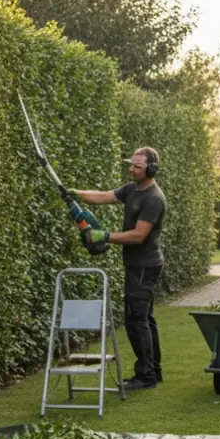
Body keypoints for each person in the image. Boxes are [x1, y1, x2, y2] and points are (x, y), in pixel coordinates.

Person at [72, 147, 167, 390]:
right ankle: (153, 370)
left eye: (137, 166)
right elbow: (103, 196)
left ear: (151, 169)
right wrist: (74, 194)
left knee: (137, 319)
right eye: (131, 164)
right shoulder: (131, 189)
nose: (131, 168)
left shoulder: (154, 198)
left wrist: (104, 235)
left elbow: (138, 236)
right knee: (145, 318)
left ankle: (145, 375)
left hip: (145, 265)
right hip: (137, 265)